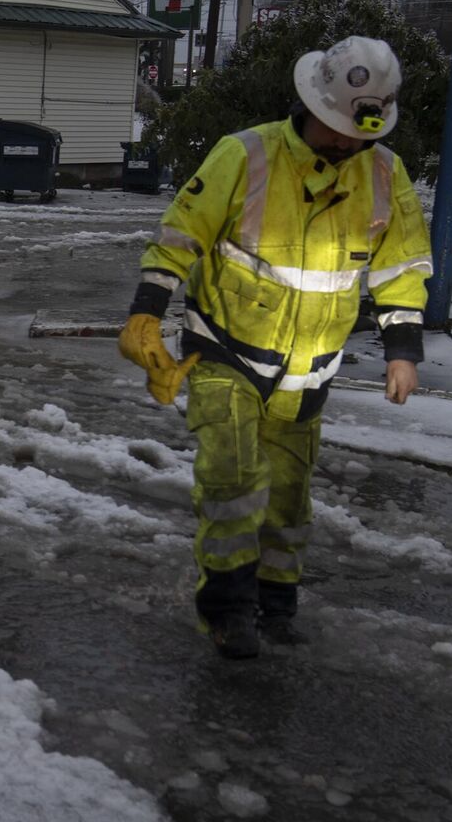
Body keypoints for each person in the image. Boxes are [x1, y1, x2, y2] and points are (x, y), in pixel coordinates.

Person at [119, 35, 434, 660]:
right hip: (224, 351)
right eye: (339, 126)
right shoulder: (246, 155)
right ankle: (228, 610)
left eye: (359, 131)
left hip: (308, 369)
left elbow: (400, 268)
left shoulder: (383, 174)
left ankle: (276, 601)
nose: (347, 142)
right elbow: (179, 239)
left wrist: (403, 349)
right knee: (233, 478)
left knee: (288, 493)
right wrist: (145, 315)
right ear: (311, 104)